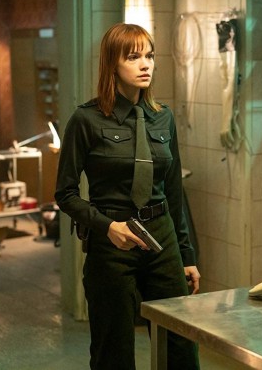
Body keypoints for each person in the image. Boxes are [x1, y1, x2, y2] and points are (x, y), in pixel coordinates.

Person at [55, 23, 201, 370]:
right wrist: (107, 227)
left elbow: (174, 193)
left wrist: (186, 255)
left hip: (161, 238)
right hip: (112, 243)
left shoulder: (162, 118)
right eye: (133, 57)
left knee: (180, 345)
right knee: (114, 351)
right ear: (112, 64)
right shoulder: (86, 119)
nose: (145, 64)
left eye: (149, 56)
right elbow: (65, 193)